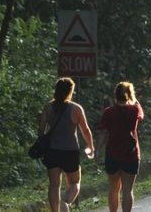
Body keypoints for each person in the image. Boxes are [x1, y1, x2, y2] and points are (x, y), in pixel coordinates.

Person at [38, 77, 95, 212]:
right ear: (70, 91)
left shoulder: (48, 107)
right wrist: (91, 146)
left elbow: (41, 130)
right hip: (70, 152)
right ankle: (65, 202)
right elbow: (85, 130)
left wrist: (42, 143)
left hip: (52, 151)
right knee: (75, 182)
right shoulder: (76, 108)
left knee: (54, 185)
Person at [97, 82, 144, 212]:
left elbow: (103, 133)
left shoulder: (108, 112)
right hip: (131, 154)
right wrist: (133, 99)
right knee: (128, 190)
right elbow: (141, 114)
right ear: (129, 94)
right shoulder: (134, 110)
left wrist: (97, 150)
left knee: (113, 188)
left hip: (112, 154)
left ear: (115, 95)